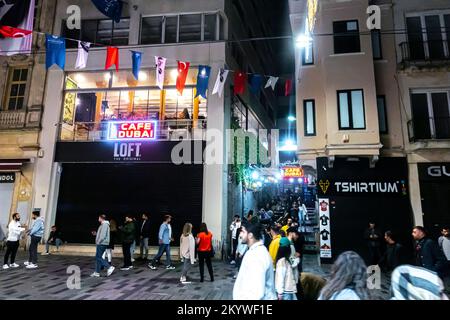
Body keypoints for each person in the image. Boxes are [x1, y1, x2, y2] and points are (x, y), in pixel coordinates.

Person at [233, 222, 277, 300]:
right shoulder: (254, 251)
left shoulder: (257, 256)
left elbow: (256, 292)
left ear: (250, 235)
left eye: (242, 232)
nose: (240, 235)